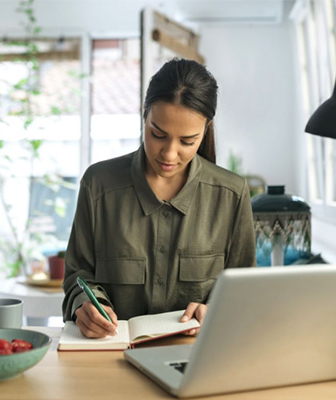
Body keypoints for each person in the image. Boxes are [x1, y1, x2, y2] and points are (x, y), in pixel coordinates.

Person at [62, 58, 256, 339]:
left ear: (206, 129)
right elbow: (77, 276)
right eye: (158, 134)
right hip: (110, 357)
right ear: (144, 116)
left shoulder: (231, 195)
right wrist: (88, 306)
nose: (168, 154)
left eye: (187, 141)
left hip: (196, 359)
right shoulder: (99, 185)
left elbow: (244, 291)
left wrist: (216, 309)